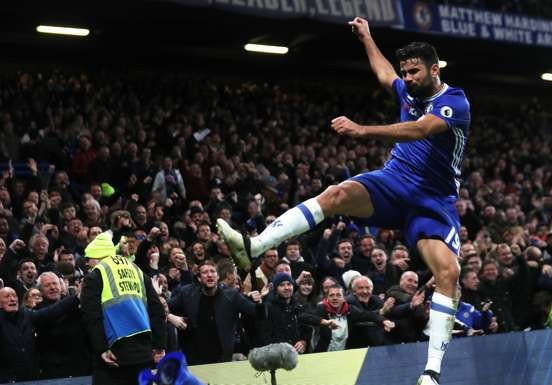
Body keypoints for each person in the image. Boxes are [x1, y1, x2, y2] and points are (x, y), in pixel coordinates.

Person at [216, 16, 469, 385]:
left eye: (415, 72)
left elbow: (420, 129)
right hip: (394, 181)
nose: (408, 78)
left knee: (448, 273)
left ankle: (430, 373)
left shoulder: (455, 102)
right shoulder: (407, 90)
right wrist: (367, 37)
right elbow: (385, 75)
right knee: (334, 195)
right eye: (406, 72)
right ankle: (254, 247)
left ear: (434, 69)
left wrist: (362, 130)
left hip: (433, 200)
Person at [80, 232, 166, 385]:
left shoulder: (95, 276)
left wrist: (101, 349)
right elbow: (157, 309)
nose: (87, 264)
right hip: (143, 353)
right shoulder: (137, 271)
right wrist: (159, 345)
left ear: (97, 257)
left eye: (88, 259)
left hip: (113, 356)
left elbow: (91, 316)